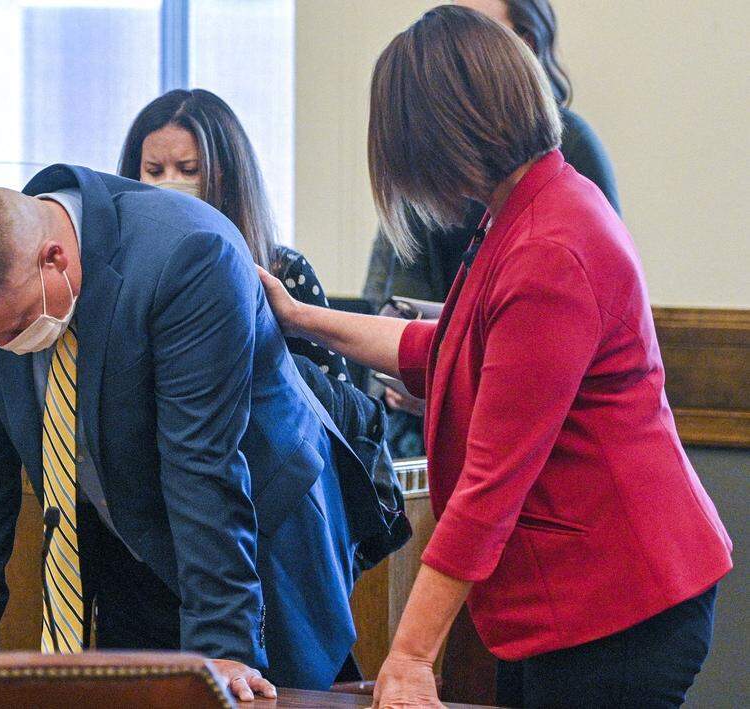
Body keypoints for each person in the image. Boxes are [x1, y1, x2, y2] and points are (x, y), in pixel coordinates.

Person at [258, 7, 731, 708]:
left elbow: (490, 486)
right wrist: (300, 318)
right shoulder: (528, 209)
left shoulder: (549, 247)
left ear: (440, 137)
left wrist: (411, 657)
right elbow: (443, 348)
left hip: (622, 599)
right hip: (583, 595)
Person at [0, 164, 405, 699]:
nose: (3, 345)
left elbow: (203, 464)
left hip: (258, 536)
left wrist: (223, 644)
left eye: (15, 327)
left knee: (260, 695)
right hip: (125, 534)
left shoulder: (189, 254)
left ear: (54, 258)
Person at [363, 0, 622, 458]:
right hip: (429, 428)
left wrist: (448, 379)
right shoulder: (446, 164)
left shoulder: (570, 158)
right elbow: (401, 302)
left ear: (524, 45)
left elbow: (555, 348)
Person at [119, 88, 349, 381]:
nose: (169, 183)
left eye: (189, 170)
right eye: (154, 170)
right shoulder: (125, 274)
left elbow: (338, 400)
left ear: (226, 176)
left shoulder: (283, 271)